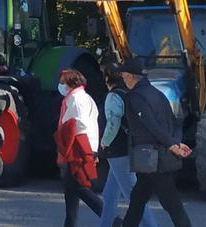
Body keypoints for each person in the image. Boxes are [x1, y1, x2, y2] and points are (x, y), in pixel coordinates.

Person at [119, 58, 192, 227]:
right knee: (138, 198)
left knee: (172, 204)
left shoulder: (135, 97)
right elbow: (175, 122)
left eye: (123, 76)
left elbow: (151, 124)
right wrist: (176, 142)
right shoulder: (158, 94)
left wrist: (172, 145)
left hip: (152, 158)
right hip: (155, 158)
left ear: (130, 76)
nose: (123, 79)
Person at [99, 64, 157, 227]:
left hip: (117, 150)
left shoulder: (113, 96)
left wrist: (104, 142)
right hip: (130, 146)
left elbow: (113, 122)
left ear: (108, 78)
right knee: (109, 194)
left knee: (134, 197)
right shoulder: (129, 94)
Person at [55, 68, 102, 227]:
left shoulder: (76, 99)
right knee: (71, 189)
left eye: (62, 82)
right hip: (83, 145)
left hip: (78, 147)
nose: (60, 85)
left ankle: (113, 219)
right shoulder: (83, 97)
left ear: (70, 82)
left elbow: (78, 124)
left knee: (79, 187)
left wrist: (66, 140)